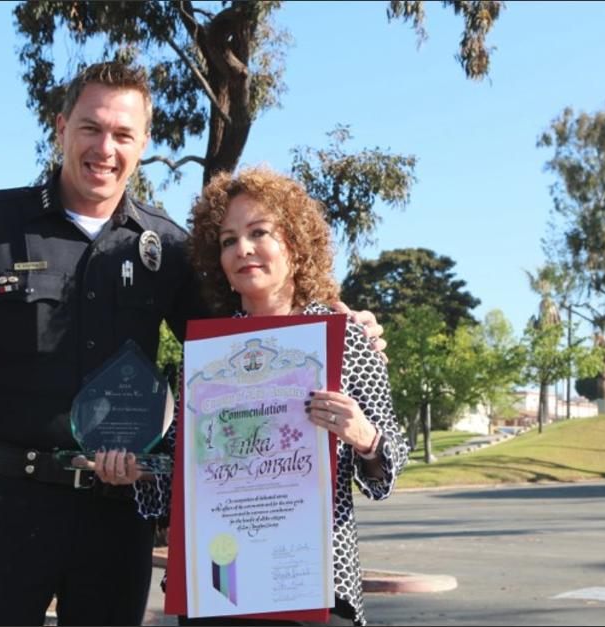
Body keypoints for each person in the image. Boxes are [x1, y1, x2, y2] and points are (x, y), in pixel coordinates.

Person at [0, 62, 386, 626]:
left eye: (123, 134)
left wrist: (334, 322)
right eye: (91, 128)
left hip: (116, 517)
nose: (105, 148)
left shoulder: (170, 250)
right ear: (61, 128)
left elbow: (246, 343)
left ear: (143, 143)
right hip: (5, 505)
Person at [97, 167, 409, 626]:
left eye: (259, 232)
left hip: (313, 588)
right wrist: (137, 471)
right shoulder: (206, 353)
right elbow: (183, 474)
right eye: (227, 240)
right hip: (223, 587)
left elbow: (389, 468)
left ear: (295, 243)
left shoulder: (343, 338)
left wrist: (364, 436)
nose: (242, 249)